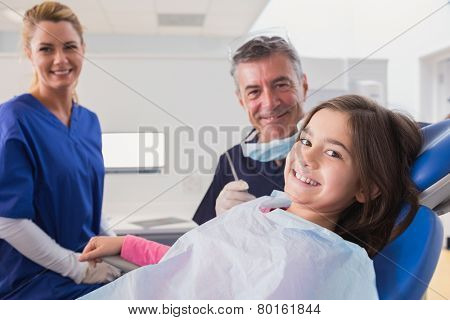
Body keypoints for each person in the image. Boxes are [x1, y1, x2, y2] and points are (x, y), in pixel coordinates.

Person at [79, 95, 422, 299]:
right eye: (305, 141)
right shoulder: (270, 209)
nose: (307, 156)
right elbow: (196, 266)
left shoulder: (327, 260)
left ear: (367, 187)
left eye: (333, 153)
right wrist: (126, 245)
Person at [0, 1, 120, 300]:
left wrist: (116, 244)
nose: (60, 59)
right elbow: (8, 220)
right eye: (46, 49)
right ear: (29, 53)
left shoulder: (89, 121)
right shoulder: (14, 119)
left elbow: (88, 201)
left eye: (69, 46)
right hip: (34, 284)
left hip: (86, 275)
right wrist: (76, 269)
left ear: (83, 48)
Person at [193, 35, 308, 225]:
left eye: (281, 85)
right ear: (242, 101)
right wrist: (220, 221)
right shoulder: (230, 163)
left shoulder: (335, 154)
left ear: (303, 85)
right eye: (254, 91)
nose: (270, 103)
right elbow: (205, 246)